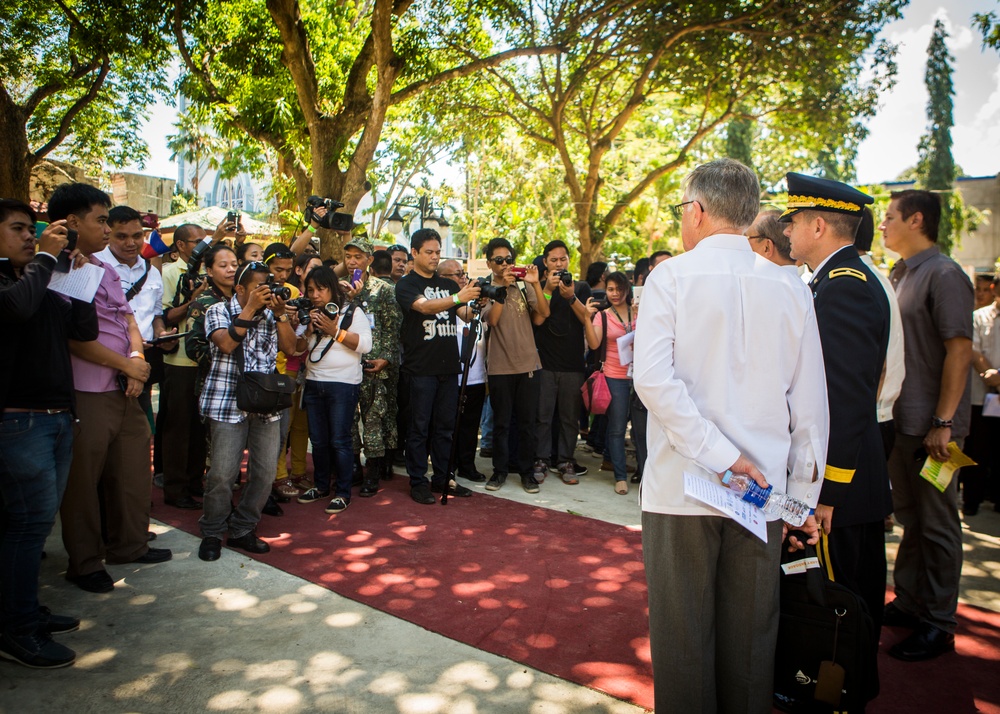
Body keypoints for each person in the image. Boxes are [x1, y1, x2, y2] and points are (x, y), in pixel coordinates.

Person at [633, 159, 827, 713]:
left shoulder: (670, 277)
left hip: (683, 486)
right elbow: (811, 404)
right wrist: (800, 500)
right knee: (751, 644)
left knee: (683, 642)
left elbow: (652, 379)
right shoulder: (792, 286)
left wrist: (722, 456)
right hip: (762, 492)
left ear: (695, 211)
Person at [782, 173, 891, 700]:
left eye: (794, 221)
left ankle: (836, 695)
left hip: (841, 483)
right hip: (850, 476)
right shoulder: (841, 280)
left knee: (841, 601)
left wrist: (827, 492)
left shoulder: (843, 287)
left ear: (819, 224)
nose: (789, 231)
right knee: (850, 594)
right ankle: (839, 688)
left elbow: (846, 400)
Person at [52, 183, 172, 594]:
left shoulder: (100, 269)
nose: (109, 230)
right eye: (102, 221)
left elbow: (127, 320)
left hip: (126, 386)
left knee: (134, 468)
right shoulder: (56, 268)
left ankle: (130, 545)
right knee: (83, 481)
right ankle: (85, 562)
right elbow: (72, 338)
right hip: (88, 389)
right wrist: (127, 365)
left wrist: (136, 362)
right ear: (72, 222)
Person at [0, 199, 98, 668]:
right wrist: (44, 257)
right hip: (20, 420)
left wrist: (73, 276)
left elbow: (81, 326)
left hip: (56, 415)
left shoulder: (37, 278)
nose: (29, 237)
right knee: (24, 527)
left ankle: (25, 612)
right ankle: (16, 629)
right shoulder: (10, 285)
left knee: (35, 527)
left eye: (30, 229)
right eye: (18, 229)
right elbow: (16, 312)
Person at [882, 189, 973, 661]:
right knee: (910, 519)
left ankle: (940, 622)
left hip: (935, 429)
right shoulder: (900, 273)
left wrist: (944, 421)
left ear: (917, 220)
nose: (882, 225)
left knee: (938, 525)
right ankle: (910, 601)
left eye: (890, 217)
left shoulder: (945, 274)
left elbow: (959, 350)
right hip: (902, 421)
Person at [197, 261, 297, 561]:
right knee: (222, 474)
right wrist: (249, 309)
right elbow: (226, 344)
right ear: (239, 288)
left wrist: (279, 314)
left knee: (265, 472)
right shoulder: (217, 310)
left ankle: (243, 527)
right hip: (227, 402)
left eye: (267, 285)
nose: (264, 292)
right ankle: (213, 531)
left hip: (266, 405)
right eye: (258, 287)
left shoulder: (272, 313)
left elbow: (291, 349)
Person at [395, 229, 482, 504]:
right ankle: (418, 481)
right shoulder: (406, 284)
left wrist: (480, 300)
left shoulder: (448, 285)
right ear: (415, 253)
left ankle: (444, 478)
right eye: (429, 252)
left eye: (437, 252)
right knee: (419, 429)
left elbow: (465, 315)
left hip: (449, 367)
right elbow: (424, 307)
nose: (434, 257)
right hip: (420, 368)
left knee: (445, 427)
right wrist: (459, 298)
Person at [160, 220, 232, 511]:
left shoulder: (210, 275)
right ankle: (174, 487)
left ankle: (194, 482)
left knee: (199, 429)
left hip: (207, 368)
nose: (203, 247)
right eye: (197, 242)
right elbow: (165, 316)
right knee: (178, 428)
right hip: (179, 362)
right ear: (180, 246)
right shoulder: (168, 272)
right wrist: (194, 300)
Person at [294, 267, 372, 512]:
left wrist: (334, 331)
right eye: (311, 290)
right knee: (318, 441)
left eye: (321, 289)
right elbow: (296, 349)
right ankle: (320, 486)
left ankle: (342, 492)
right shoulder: (309, 314)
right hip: (314, 382)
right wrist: (305, 327)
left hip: (343, 384)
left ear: (332, 289)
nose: (316, 294)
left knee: (340, 440)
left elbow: (365, 345)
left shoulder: (352, 311)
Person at [480, 238, 549, 493]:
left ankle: (527, 473)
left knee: (526, 424)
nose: (505, 264)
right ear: (489, 263)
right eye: (499, 260)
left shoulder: (523, 285)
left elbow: (543, 314)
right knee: (501, 423)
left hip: (529, 364)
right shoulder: (485, 289)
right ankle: (499, 472)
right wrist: (501, 288)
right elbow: (493, 321)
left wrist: (534, 284)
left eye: (509, 259)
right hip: (500, 367)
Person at [341, 237, 402, 496]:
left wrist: (386, 357)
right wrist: (349, 299)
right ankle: (354, 468)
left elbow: (392, 327)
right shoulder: (338, 289)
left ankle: (374, 471)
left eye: (358, 256)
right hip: (346, 363)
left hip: (375, 364)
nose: (352, 261)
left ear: (369, 260)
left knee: (375, 418)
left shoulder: (383, 289)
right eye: (348, 256)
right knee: (349, 420)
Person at [533, 240, 593, 483]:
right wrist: (547, 288)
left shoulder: (581, 287)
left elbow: (587, 318)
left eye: (563, 259)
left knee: (570, 418)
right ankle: (541, 460)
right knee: (543, 416)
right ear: (545, 263)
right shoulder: (540, 287)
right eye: (554, 260)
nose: (559, 264)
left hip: (573, 365)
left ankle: (566, 461)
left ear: (569, 260)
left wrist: (570, 297)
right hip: (545, 364)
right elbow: (538, 320)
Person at [584, 271, 637, 494]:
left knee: (641, 430)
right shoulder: (603, 316)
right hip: (615, 376)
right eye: (611, 289)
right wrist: (586, 317)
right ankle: (620, 476)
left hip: (641, 376)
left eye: (619, 289)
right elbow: (594, 344)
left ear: (627, 289)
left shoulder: (639, 311)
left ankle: (643, 472)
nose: (615, 294)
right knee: (617, 428)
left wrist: (639, 316)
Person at [438, 260, 488, 482]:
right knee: (448, 425)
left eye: (462, 273)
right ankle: (447, 466)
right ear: (442, 279)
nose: (462, 278)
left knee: (470, 425)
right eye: (455, 275)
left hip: (476, 376)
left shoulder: (475, 304)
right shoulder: (443, 305)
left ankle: (467, 465)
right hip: (450, 377)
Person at [965, 273, 1000, 515]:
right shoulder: (979, 317)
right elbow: (972, 349)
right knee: (977, 449)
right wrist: (989, 373)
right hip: (980, 395)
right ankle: (971, 500)